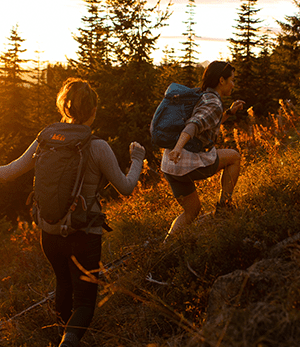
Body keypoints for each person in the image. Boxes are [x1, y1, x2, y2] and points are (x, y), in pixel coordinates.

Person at [0, 78, 145, 347]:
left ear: (65, 108)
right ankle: (67, 343)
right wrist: (137, 158)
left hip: (49, 234)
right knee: (85, 302)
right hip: (83, 234)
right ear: (93, 111)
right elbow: (126, 187)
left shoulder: (45, 139)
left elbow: (8, 172)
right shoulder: (97, 146)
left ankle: (60, 338)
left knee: (63, 283)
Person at [161, 61, 244, 239]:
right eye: (232, 80)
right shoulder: (213, 103)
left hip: (170, 165)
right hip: (186, 163)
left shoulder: (200, 96)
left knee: (192, 211)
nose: (233, 84)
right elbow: (194, 125)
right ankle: (224, 208)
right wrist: (178, 147)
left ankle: (166, 245)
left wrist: (229, 112)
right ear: (221, 80)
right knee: (234, 157)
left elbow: (207, 122)